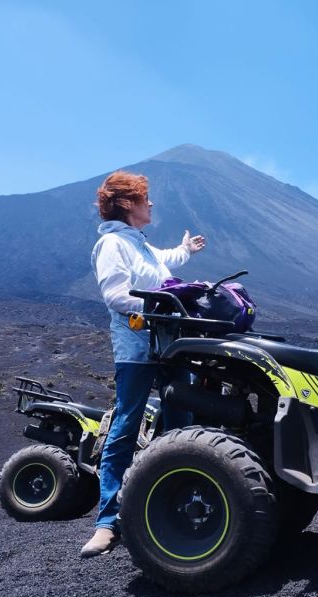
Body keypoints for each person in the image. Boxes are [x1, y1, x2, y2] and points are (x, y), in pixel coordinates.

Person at [80, 170, 205, 558]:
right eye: (144, 198)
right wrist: (164, 305)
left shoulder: (140, 245)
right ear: (127, 204)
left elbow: (160, 263)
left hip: (170, 346)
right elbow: (115, 295)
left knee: (182, 424)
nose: (150, 204)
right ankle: (107, 522)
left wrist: (185, 250)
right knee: (126, 424)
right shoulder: (113, 244)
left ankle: (173, 504)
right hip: (136, 348)